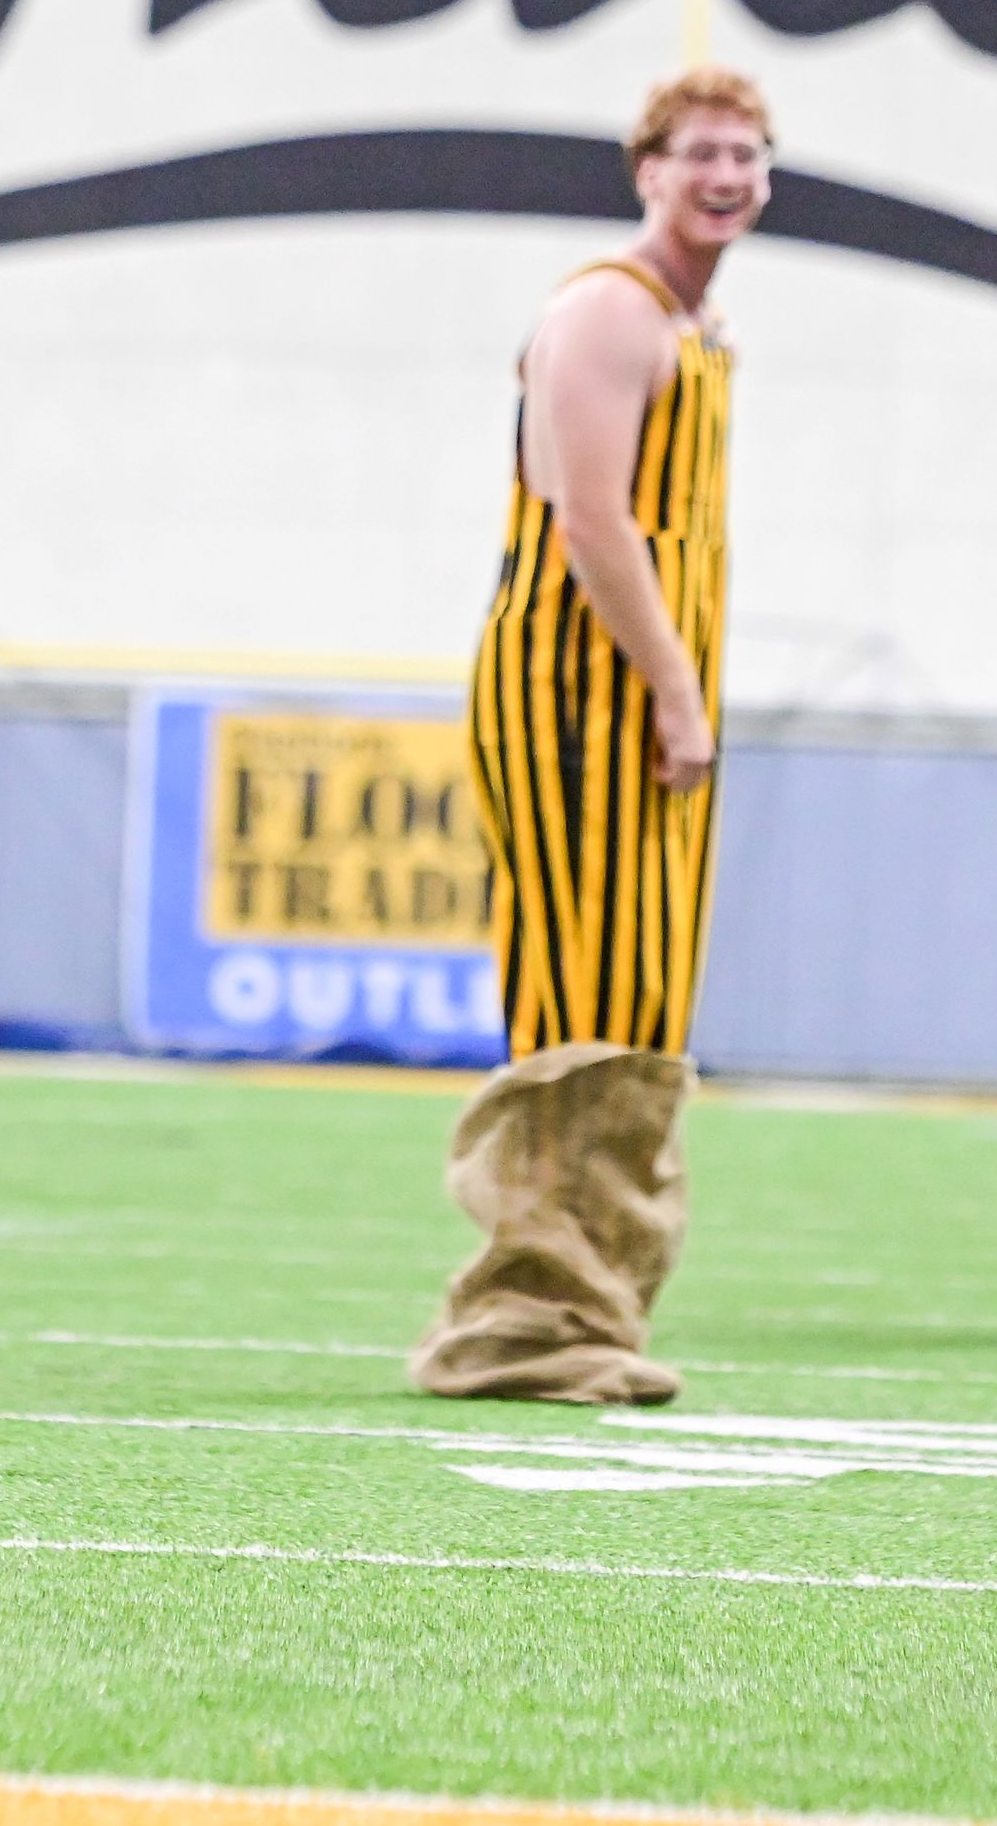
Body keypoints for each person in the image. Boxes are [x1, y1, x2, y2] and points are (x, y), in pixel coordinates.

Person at [409, 68, 768, 1404]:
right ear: (648, 172)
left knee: (640, 997)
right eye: (701, 154)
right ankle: (525, 1327)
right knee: (587, 994)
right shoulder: (609, 313)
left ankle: (585, 1313)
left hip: (640, 689)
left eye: (748, 154)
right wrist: (677, 689)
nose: (727, 176)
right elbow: (590, 519)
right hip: (579, 689)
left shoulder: (697, 326)